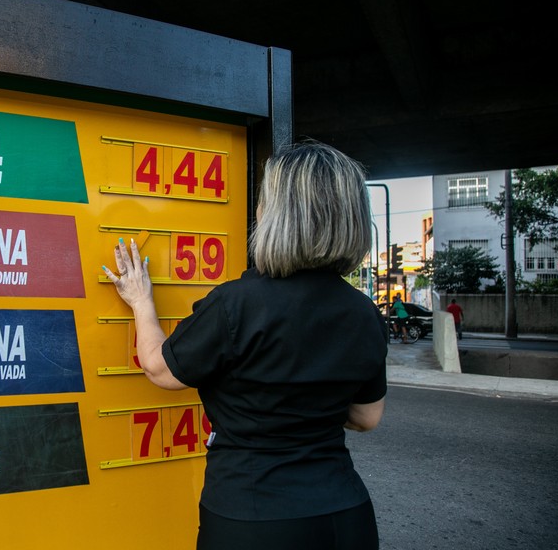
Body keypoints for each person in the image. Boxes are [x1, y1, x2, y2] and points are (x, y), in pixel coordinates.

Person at [104, 140, 387, 550]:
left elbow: (159, 369)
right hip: (346, 517)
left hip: (253, 518)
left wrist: (140, 299)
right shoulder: (365, 313)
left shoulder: (236, 303)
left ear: (275, 215)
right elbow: (366, 417)